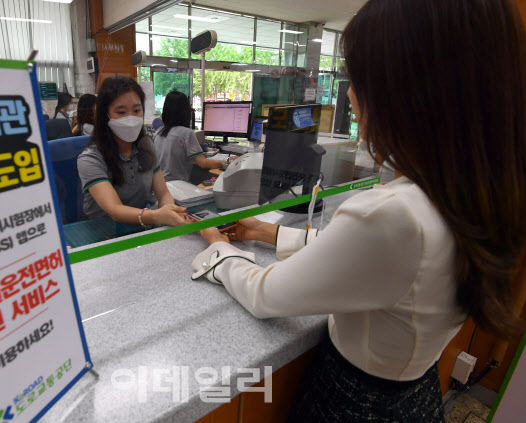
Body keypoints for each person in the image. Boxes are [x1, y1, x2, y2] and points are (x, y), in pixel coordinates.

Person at [192, 0, 526, 421]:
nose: (350, 93)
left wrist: (216, 248)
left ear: (409, 91)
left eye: (359, 78)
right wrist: (267, 233)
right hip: (415, 396)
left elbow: (264, 294)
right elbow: (375, 260)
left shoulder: (392, 213)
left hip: (355, 404)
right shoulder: (471, 196)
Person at [77, 76, 190, 227]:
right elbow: (115, 211)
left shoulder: (146, 145)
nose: (131, 118)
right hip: (103, 233)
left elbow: (163, 193)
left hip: (141, 225)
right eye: (121, 112)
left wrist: (169, 210)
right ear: (105, 116)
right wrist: (156, 216)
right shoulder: (90, 159)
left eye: (137, 110)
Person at [154, 91, 234, 182]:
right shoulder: (186, 134)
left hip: (159, 187)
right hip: (177, 189)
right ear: (186, 112)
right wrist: (227, 161)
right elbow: (203, 163)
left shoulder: (159, 132)